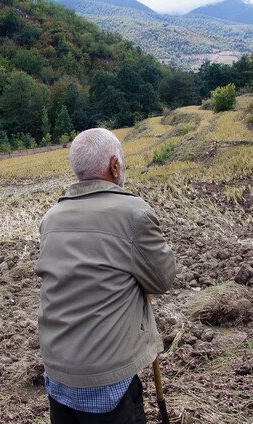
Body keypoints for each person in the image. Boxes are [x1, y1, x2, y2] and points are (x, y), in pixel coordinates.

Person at [36, 128, 177, 423]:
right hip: (105, 379)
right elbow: (162, 280)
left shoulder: (51, 219)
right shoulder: (133, 213)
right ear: (115, 166)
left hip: (57, 371)